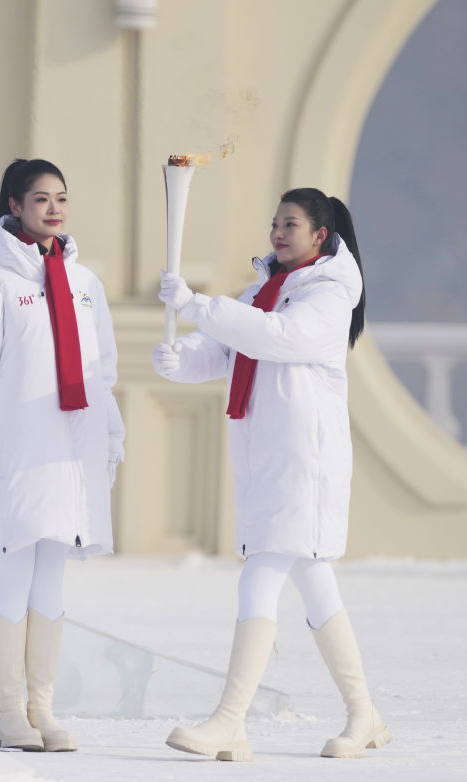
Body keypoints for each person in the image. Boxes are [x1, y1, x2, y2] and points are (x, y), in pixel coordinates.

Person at [152, 187, 390, 761]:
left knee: (261, 571)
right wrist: (181, 359)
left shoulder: (330, 294)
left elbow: (277, 338)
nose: (278, 233)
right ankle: (364, 715)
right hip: (267, 457)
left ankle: (230, 721)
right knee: (315, 581)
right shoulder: (266, 289)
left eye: (291, 224)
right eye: (275, 223)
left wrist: (198, 304)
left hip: (306, 461)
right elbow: (227, 349)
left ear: (320, 235)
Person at [0, 158, 125, 752]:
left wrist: (111, 437)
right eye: (41, 198)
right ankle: (8, 714)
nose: (54, 209)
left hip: (70, 454)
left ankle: (41, 709)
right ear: (15, 207)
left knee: (52, 577)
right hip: (18, 452)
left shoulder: (85, 284)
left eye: (61, 198)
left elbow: (101, 373)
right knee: (15, 573)